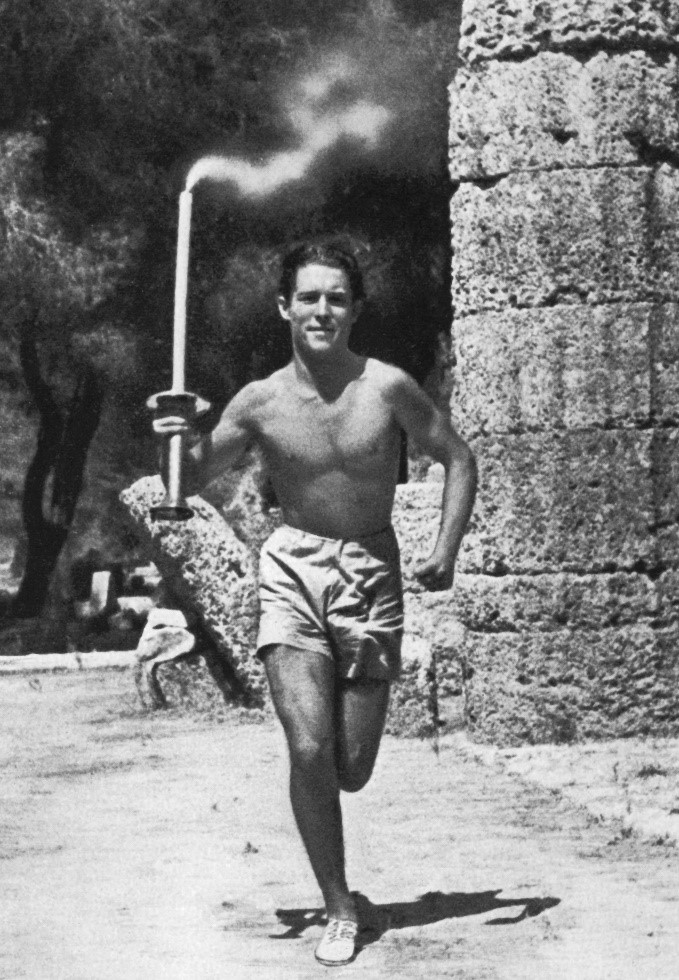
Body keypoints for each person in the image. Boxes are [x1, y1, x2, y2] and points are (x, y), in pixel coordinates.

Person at [152, 241, 477, 966]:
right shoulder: (259, 401)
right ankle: (338, 905)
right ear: (284, 308)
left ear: (355, 309)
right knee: (307, 748)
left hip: (370, 571)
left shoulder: (387, 387)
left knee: (350, 767)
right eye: (308, 297)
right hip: (292, 569)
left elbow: (458, 456)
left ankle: (338, 862)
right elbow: (185, 482)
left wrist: (445, 549)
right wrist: (176, 437)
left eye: (336, 297)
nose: (322, 310)